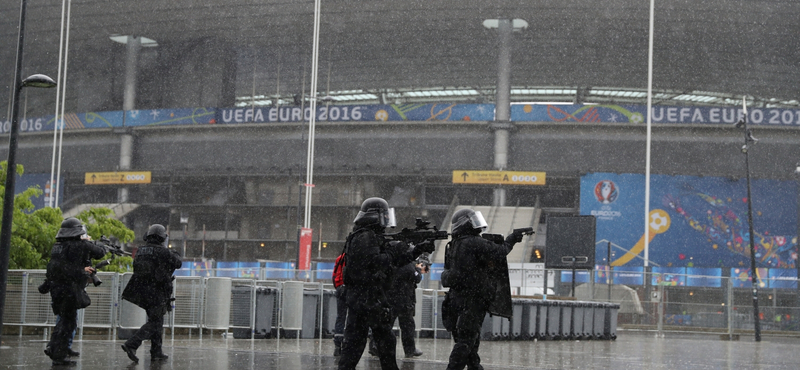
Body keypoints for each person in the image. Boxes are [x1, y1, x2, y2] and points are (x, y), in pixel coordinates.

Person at [337, 197, 434, 370]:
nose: (387, 220)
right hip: (366, 298)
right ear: (375, 216)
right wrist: (395, 251)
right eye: (384, 215)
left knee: (372, 342)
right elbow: (376, 262)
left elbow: (395, 262)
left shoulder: (370, 236)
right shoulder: (365, 237)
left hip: (368, 298)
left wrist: (416, 250)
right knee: (364, 344)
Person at [440, 209, 524, 370]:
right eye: (473, 220)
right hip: (472, 300)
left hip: (457, 298)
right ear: (465, 224)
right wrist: (511, 240)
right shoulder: (473, 242)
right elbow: (500, 252)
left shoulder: (454, 244)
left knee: (468, 338)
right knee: (466, 340)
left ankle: (475, 367)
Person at [43, 218, 106, 366]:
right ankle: (60, 357)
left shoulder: (57, 246)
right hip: (69, 290)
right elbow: (100, 253)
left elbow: (59, 267)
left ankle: (54, 348)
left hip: (57, 289)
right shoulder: (80, 245)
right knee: (68, 323)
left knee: (63, 322)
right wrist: (97, 245)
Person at [120, 224, 182, 363]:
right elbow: (178, 263)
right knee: (155, 322)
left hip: (142, 291)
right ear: (162, 238)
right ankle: (132, 344)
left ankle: (156, 351)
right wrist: (172, 251)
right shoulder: (163, 252)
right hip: (157, 292)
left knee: (157, 320)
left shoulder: (141, 250)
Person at [371, 256, 428, 358]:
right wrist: (418, 269)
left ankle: (376, 346)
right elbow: (417, 278)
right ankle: (410, 349)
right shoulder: (407, 265)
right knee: (407, 327)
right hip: (404, 301)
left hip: (390, 300)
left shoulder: (390, 263)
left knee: (385, 324)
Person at [331, 251, 346, 356]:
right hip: (349, 288)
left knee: (340, 316)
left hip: (340, 288)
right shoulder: (353, 258)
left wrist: (338, 286)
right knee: (352, 317)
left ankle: (337, 344)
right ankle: (348, 343)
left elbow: (334, 275)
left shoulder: (339, 258)